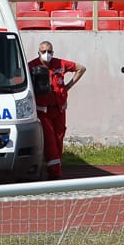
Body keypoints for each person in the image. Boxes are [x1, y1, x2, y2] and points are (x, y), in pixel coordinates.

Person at [27, 40, 86, 180]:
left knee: (59, 139)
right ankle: (55, 174)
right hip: (43, 111)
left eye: (49, 51)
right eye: (43, 51)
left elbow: (81, 68)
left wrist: (68, 86)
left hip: (59, 109)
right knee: (50, 140)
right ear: (38, 52)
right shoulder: (32, 66)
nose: (46, 54)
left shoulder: (60, 64)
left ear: (53, 52)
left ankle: (55, 167)